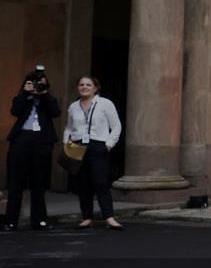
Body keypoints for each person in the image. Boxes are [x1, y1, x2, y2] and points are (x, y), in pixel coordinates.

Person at [63, 76, 124, 231]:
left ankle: (109, 217)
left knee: (101, 182)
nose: (84, 87)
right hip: (77, 146)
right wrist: (66, 144)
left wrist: (108, 145)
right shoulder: (73, 106)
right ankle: (87, 218)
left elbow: (116, 126)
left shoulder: (105, 103)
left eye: (88, 85)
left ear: (95, 88)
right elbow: (69, 127)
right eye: (81, 84)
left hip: (98, 145)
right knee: (82, 184)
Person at [4, 66, 60, 231]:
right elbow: (15, 111)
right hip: (21, 140)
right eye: (34, 83)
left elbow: (55, 113)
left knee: (39, 182)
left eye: (41, 83)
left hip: (42, 142)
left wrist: (44, 94)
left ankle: (39, 220)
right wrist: (25, 93)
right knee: (15, 182)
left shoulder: (49, 99)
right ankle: (11, 221)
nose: (37, 86)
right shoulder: (22, 97)